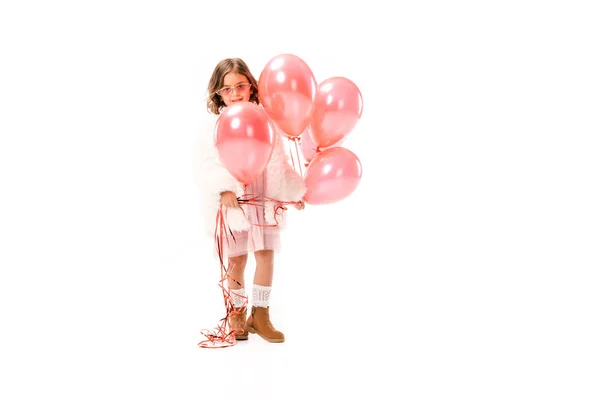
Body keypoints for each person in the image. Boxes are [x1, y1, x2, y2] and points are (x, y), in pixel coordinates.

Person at [198, 58, 306, 343]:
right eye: (227, 89)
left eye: (240, 86)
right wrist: (224, 189)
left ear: (251, 87)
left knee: (266, 255)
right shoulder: (216, 126)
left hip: (261, 196)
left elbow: (279, 161)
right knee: (236, 259)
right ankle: (236, 314)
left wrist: (294, 191)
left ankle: (261, 315)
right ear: (218, 93)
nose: (235, 94)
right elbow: (209, 163)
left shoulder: (265, 122)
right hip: (235, 201)